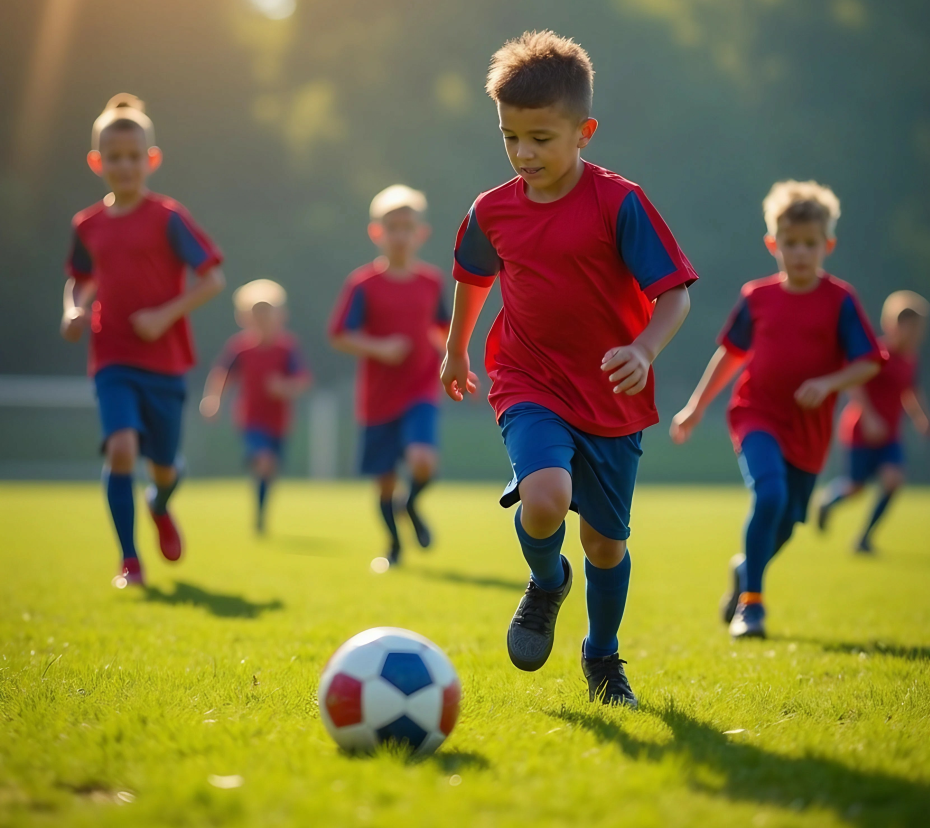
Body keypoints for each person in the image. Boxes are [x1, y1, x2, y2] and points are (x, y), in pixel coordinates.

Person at [442, 31, 697, 707]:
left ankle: (602, 656)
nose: (524, 154)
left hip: (612, 396)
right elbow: (473, 277)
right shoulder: (490, 210)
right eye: (510, 138)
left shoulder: (620, 204)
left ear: (583, 132)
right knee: (544, 497)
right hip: (529, 380)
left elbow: (675, 295)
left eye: (541, 138)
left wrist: (643, 350)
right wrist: (456, 347)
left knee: (606, 546)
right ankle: (547, 581)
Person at [670, 180, 883, 638]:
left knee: (784, 525)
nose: (800, 253)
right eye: (791, 243)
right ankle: (753, 605)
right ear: (773, 244)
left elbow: (868, 362)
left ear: (827, 245)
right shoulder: (757, 297)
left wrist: (829, 383)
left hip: (808, 432)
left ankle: (745, 571)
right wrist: (695, 406)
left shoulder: (841, 300)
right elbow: (730, 355)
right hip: (756, 416)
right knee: (769, 497)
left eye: (810, 244)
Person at [61, 94, 225, 588]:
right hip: (111, 355)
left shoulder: (168, 217)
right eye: (114, 157)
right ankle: (130, 561)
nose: (124, 165)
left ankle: (160, 503)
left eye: (134, 156)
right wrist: (72, 309)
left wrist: (164, 314)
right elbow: (80, 279)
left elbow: (213, 279)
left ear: (151, 160)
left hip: (166, 361)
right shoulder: (86, 225)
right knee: (121, 449)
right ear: (97, 162)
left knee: (164, 468)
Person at [329, 185, 449, 566]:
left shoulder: (432, 282)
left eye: (407, 227)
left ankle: (411, 505)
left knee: (422, 461)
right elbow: (339, 334)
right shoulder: (362, 284)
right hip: (378, 397)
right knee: (383, 480)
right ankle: (394, 547)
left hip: (420, 389)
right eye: (392, 226)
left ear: (421, 234)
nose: (400, 234)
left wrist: (450, 358)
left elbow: (444, 330)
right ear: (376, 232)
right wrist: (380, 348)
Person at [817, 290, 929, 552]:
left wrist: (921, 419)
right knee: (856, 488)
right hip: (861, 430)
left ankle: (864, 538)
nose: (916, 335)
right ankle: (827, 501)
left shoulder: (911, 360)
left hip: (890, 435)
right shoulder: (877, 353)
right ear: (894, 325)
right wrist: (869, 418)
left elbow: (910, 392)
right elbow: (855, 385)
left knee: (894, 480)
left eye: (920, 329)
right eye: (911, 328)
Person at [200, 279, 312, 533]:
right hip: (251, 419)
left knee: (269, 469)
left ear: (279, 315)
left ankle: (261, 513)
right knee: (263, 460)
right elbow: (222, 374)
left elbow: (302, 381)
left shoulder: (287, 348)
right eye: (256, 313)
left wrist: (284, 387)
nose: (262, 318)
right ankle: (259, 516)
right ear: (245, 317)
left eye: (267, 312)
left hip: (280, 422)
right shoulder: (240, 348)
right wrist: (213, 400)